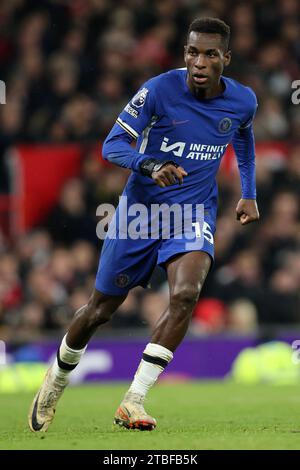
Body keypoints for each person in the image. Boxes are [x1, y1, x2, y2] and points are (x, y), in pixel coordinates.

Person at [28, 17, 259, 432]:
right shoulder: (157, 90)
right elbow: (112, 145)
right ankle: (56, 380)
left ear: (226, 57)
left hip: (193, 213)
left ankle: (133, 399)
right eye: (192, 52)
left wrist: (249, 191)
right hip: (141, 213)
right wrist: (149, 163)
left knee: (186, 294)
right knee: (100, 309)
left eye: (210, 54)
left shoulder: (243, 101)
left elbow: (243, 137)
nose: (199, 62)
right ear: (184, 54)